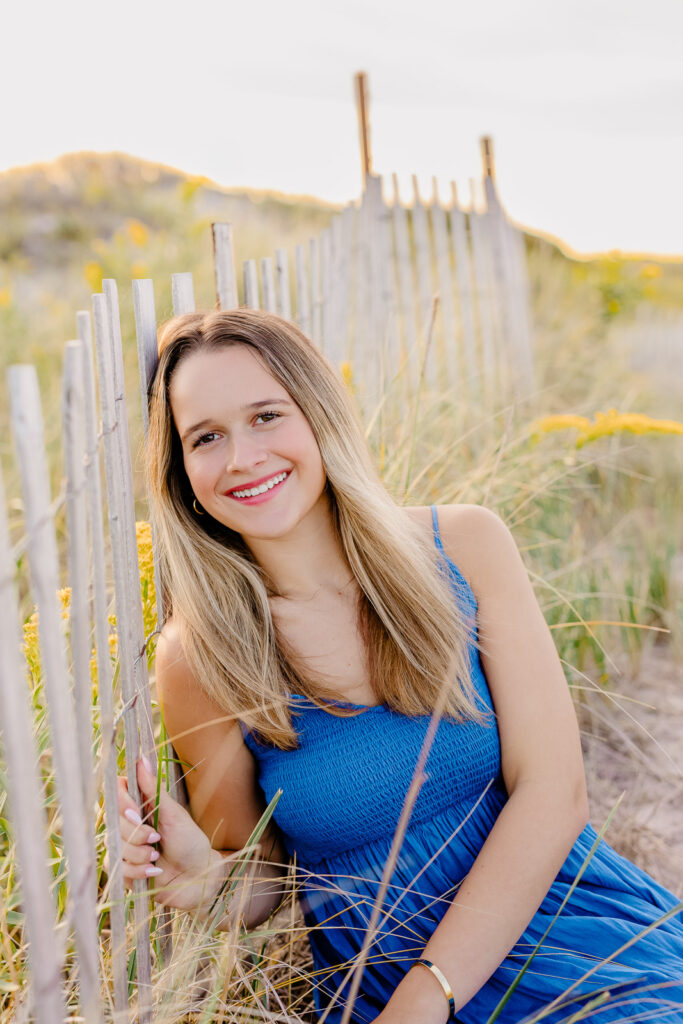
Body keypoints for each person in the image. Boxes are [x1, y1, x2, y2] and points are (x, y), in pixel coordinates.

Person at [117, 309, 683, 1024]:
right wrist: (207, 881)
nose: (241, 458)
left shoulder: (465, 546)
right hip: (376, 984)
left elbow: (554, 791)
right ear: (181, 471)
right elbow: (264, 876)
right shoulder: (201, 655)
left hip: (574, 936)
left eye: (265, 416)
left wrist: (428, 997)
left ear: (318, 412)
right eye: (206, 437)